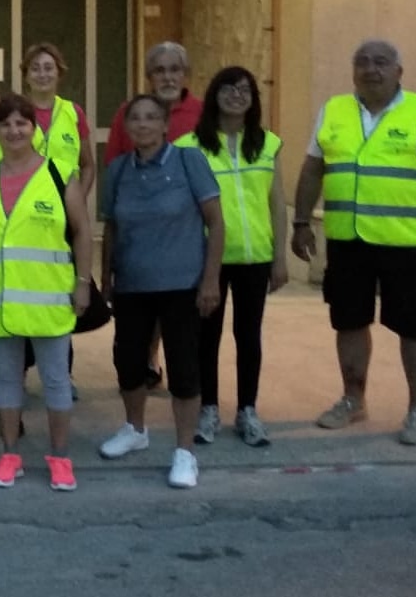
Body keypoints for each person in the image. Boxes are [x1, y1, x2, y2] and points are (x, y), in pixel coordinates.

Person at [291, 39, 416, 447]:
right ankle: (353, 400)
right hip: (348, 241)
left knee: (415, 327)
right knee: (349, 322)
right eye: (363, 62)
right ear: (353, 71)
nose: (371, 69)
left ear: (398, 71)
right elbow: (313, 169)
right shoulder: (333, 110)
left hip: (406, 244)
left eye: (381, 62)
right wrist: (301, 222)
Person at [98, 94, 224, 489]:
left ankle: (185, 452)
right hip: (133, 285)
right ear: (126, 127)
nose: (143, 124)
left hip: (183, 286)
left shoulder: (189, 161)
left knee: (185, 369)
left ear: (166, 125)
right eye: (135, 118)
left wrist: (210, 279)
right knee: (129, 363)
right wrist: (106, 276)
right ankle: (135, 430)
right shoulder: (118, 170)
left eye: (151, 117)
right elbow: (112, 227)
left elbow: (216, 222)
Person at [0, 95, 93, 491]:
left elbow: (82, 232)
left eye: (22, 123)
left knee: (56, 382)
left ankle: (60, 458)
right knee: (6, 381)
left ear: (34, 129)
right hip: (0, 299)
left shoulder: (58, 173)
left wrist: (83, 283)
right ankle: (10, 455)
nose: (14, 130)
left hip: (49, 298)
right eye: (5, 124)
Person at [175, 66, 288, 447]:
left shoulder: (268, 144)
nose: (236, 95)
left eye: (245, 90)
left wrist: (280, 257)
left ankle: (247, 411)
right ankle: (208, 408)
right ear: (214, 94)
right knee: (206, 336)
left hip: (255, 256)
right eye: (228, 88)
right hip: (208, 259)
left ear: (254, 99)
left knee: (248, 335)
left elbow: (276, 203)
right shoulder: (190, 145)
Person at [103, 40, 204, 389]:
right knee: (143, 309)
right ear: (149, 76)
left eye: (175, 69)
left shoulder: (202, 114)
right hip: (140, 233)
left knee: (186, 326)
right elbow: (115, 166)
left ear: (186, 74)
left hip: (185, 232)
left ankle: (192, 389)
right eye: (159, 70)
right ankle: (149, 360)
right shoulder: (130, 113)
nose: (168, 77)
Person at [20, 41, 96, 196]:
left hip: (65, 201)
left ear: (59, 73)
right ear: (26, 76)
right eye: (35, 69)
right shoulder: (15, 112)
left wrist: (78, 200)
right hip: (24, 201)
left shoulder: (74, 112)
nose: (42, 75)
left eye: (48, 68)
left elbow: (87, 165)